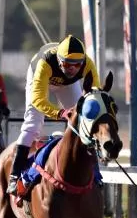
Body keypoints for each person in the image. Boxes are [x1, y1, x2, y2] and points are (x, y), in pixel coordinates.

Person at [6, 34, 100, 198]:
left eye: (77, 65)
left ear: (83, 61)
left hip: (67, 85)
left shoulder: (88, 64)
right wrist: (60, 112)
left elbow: (95, 94)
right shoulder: (45, 63)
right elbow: (38, 100)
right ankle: (15, 175)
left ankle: (96, 173)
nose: (72, 68)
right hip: (41, 79)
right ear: (58, 60)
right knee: (33, 123)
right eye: (67, 64)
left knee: (84, 120)